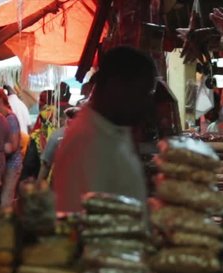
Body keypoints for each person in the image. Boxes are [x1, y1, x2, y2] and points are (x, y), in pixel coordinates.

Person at [52, 46, 157, 212]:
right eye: (141, 92)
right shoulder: (86, 141)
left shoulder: (112, 130)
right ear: (115, 86)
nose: (145, 104)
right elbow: (79, 220)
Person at [0, 88, 23, 206]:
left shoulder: (10, 118)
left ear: (0, 99)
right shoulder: (1, 118)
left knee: (5, 200)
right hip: (4, 166)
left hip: (12, 166)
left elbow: (13, 146)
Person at [38, 107, 81, 183]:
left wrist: (38, 187)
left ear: (65, 119)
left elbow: (45, 166)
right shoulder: (92, 135)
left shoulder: (57, 135)